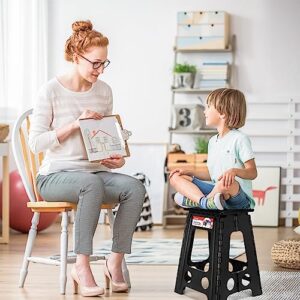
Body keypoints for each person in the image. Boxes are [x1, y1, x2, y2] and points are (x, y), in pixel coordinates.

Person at [29, 20, 145, 297]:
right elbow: (35, 144)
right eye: (95, 63)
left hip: (94, 173)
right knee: (89, 185)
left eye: (105, 63)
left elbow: (103, 137)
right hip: (54, 176)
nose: (101, 70)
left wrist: (116, 159)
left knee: (134, 187)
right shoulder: (50, 91)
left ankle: (114, 260)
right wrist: (73, 124)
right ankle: (80, 266)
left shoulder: (104, 91)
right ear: (76, 56)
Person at [169, 88, 257, 210]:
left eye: (208, 107)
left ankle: (200, 201)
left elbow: (252, 172)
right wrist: (190, 172)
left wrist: (234, 171)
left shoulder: (240, 139)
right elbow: (212, 174)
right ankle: (205, 202)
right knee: (176, 178)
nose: (205, 112)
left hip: (237, 196)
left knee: (225, 183)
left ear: (222, 113)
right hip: (217, 191)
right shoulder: (212, 142)